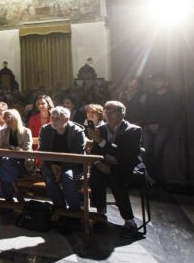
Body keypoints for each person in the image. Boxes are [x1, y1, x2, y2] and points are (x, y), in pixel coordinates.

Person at [87, 101, 143, 238]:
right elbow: (94, 152)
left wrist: (101, 141)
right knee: (95, 177)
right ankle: (100, 216)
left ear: (122, 113)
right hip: (104, 165)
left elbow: (124, 155)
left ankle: (130, 222)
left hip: (124, 166)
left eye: (111, 110)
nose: (107, 112)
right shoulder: (100, 129)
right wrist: (100, 165)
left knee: (116, 179)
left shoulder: (133, 130)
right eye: (106, 109)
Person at [38, 106, 87, 212]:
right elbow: (42, 150)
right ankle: (61, 210)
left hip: (72, 164)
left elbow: (77, 154)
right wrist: (52, 165)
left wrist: (61, 167)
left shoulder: (77, 132)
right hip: (50, 163)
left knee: (67, 177)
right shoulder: (45, 130)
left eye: (57, 118)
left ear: (66, 120)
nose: (53, 120)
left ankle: (75, 213)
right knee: (50, 178)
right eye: (52, 117)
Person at [0, 109, 33, 204]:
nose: (6, 120)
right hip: (8, 160)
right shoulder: (3, 131)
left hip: (22, 162)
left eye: (8, 117)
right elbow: (3, 147)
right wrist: (10, 148)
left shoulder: (26, 131)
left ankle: (8, 200)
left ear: (16, 117)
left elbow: (27, 149)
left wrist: (16, 149)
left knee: (2, 169)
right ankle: (16, 191)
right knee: (6, 164)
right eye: (5, 118)